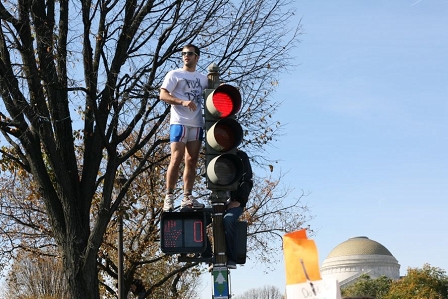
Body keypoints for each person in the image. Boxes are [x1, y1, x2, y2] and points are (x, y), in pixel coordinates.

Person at [160, 44, 208, 212]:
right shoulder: (175, 74)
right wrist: (181, 102)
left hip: (196, 124)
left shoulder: (203, 79)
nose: (186, 56)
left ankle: (187, 196)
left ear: (197, 57)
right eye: (183, 54)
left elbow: (214, 93)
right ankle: (169, 195)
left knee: (192, 160)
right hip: (179, 121)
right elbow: (163, 94)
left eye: (190, 53)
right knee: (176, 157)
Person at [223, 149, 253, 269]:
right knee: (201, 219)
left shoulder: (241, 156)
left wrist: (239, 201)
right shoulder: (211, 155)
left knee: (228, 219)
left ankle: (231, 257)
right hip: (216, 203)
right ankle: (208, 254)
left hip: (235, 202)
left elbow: (247, 180)